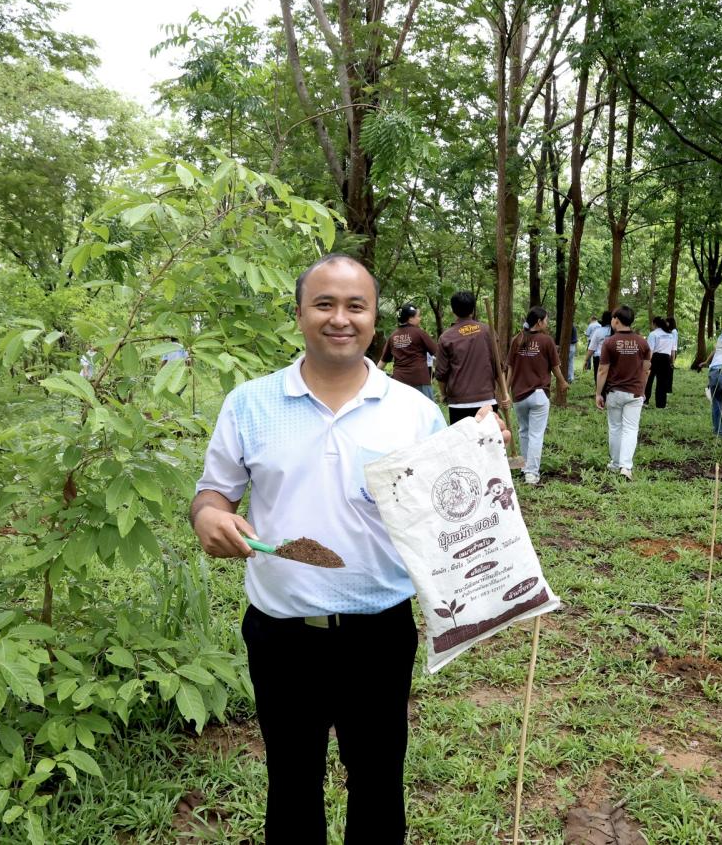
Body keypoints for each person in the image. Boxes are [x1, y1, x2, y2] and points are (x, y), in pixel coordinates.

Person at [190, 254, 506, 843]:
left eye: (356, 306)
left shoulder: (414, 412)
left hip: (379, 631)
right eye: (325, 304)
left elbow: (448, 509)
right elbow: (214, 492)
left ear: (374, 317)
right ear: (299, 314)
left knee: (379, 783)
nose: (341, 318)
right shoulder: (250, 403)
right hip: (281, 631)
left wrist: (480, 454)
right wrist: (208, 516)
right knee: (291, 783)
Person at [506, 306, 569, 485]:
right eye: (546, 319)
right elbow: (555, 367)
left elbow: (510, 368)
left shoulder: (516, 339)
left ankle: (525, 467)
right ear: (539, 322)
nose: (547, 322)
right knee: (535, 435)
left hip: (519, 395)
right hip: (539, 395)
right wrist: (562, 382)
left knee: (524, 431)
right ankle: (531, 473)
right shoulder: (546, 341)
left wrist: (506, 391)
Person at [434, 290, 510, 424]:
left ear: (453, 310)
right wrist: (505, 392)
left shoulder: (446, 337)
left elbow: (441, 374)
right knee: (488, 438)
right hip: (486, 402)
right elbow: (498, 367)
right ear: (473, 309)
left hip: (459, 404)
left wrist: (443, 394)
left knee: (463, 438)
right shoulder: (487, 331)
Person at [595, 306, 651, 480]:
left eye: (613, 318)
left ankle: (615, 464)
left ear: (616, 320)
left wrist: (598, 393)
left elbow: (602, 370)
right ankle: (626, 467)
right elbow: (646, 369)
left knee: (615, 428)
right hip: (635, 393)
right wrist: (642, 389)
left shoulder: (609, 342)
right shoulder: (642, 342)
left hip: (615, 392)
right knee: (631, 429)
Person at [379, 303, 438, 401]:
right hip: (420, 380)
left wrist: (372, 376)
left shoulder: (393, 336)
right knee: (426, 409)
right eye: (418, 316)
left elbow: (383, 361)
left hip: (399, 382)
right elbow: (438, 354)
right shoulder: (419, 333)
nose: (420, 319)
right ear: (410, 319)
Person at [644, 316, 678, 408]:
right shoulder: (670, 334)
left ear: (654, 324)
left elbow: (650, 350)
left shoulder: (653, 334)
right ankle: (661, 404)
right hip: (666, 359)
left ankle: (645, 401)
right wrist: (672, 362)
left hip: (655, 358)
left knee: (648, 380)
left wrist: (647, 362)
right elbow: (673, 350)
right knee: (662, 382)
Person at [586, 311, 613, 380]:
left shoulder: (598, 331)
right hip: (613, 359)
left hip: (599, 359)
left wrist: (586, 360)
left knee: (599, 379)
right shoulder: (616, 332)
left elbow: (591, 348)